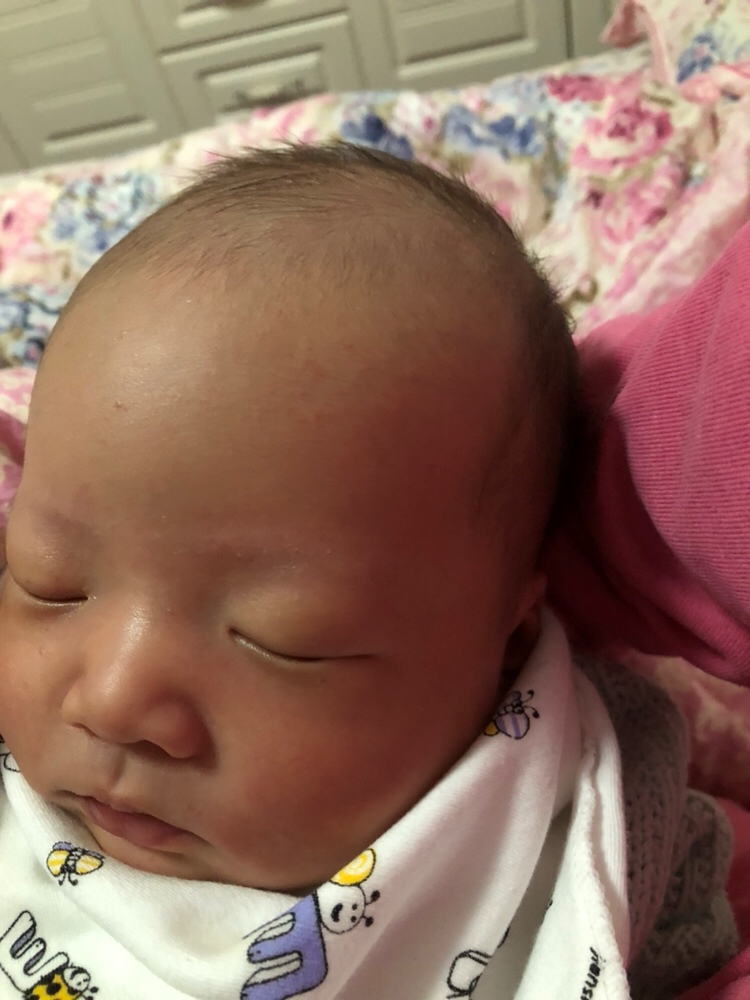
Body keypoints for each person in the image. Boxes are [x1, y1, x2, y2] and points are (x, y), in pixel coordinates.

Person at [0, 145, 734, 1000]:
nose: (113, 701)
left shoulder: (609, 842)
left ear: (506, 645)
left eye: (283, 642)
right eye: (49, 582)